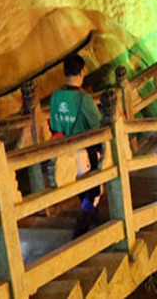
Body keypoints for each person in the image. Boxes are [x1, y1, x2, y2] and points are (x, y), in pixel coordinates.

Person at [49, 54, 103, 238]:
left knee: (83, 191)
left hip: (64, 152)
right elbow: (97, 124)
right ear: (82, 71)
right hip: (84, 153)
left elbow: (55, 127)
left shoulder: (56, 97)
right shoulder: (84, 99)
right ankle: (79, 233)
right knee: (93, 193)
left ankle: (93, 225)